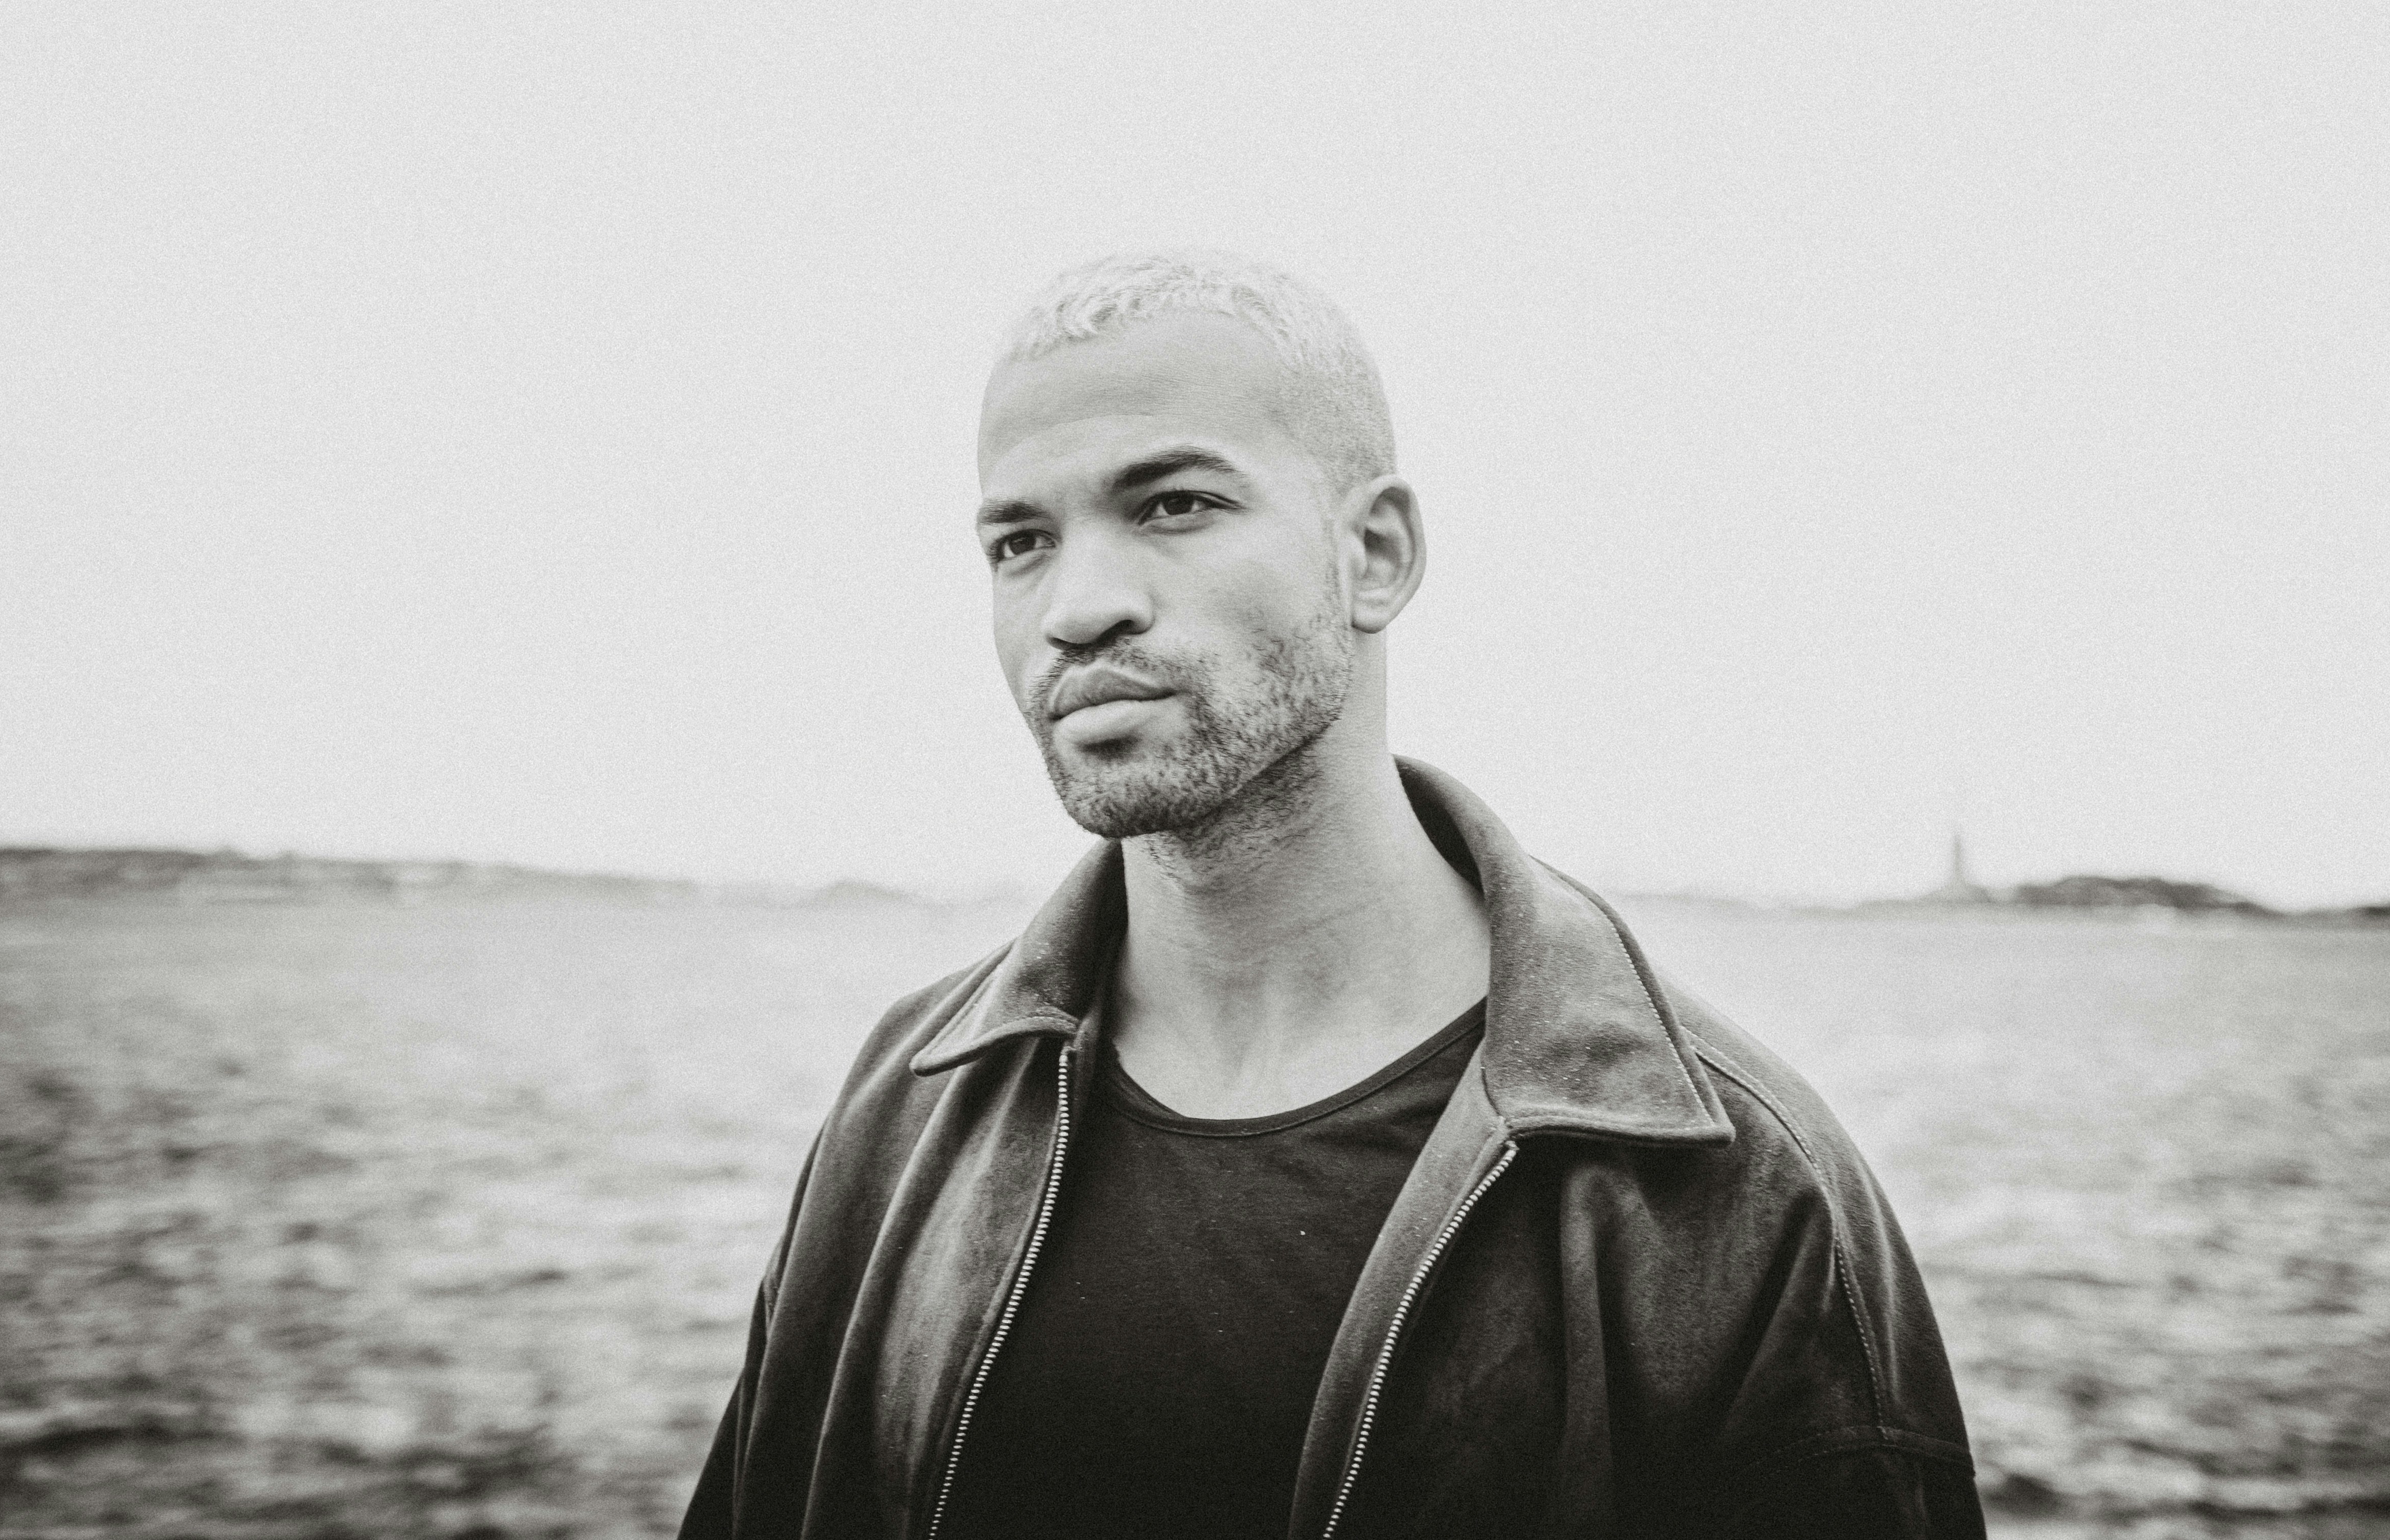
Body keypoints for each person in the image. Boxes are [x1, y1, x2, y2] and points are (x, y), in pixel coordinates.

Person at [680, 252, 1983, 1539]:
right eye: (1020, 540)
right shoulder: (907, 1102)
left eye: (1175, 504)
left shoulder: (1724, 1187)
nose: (1076, 606)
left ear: (1375, 553)